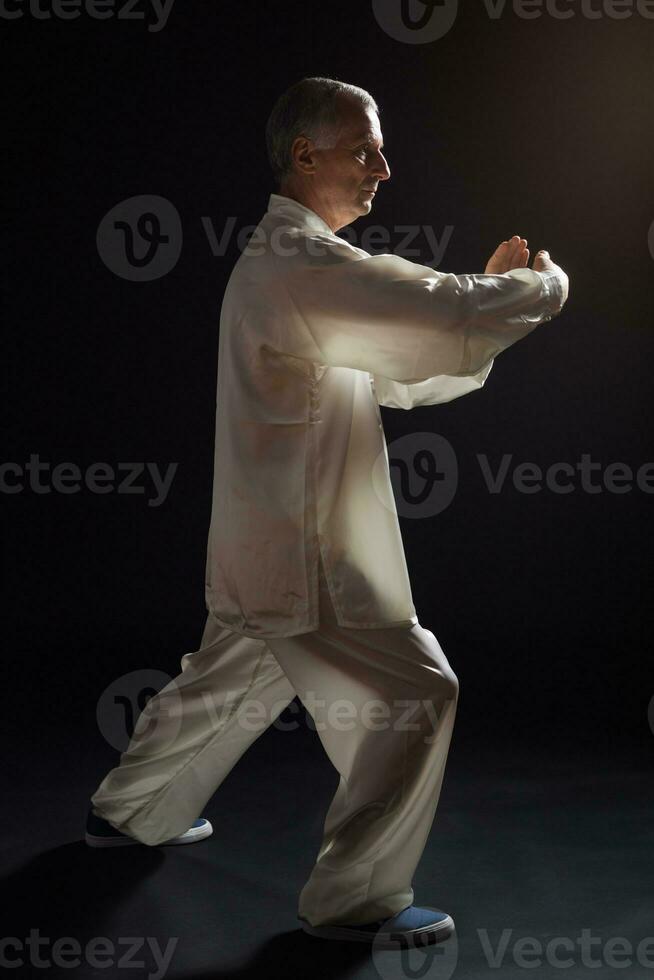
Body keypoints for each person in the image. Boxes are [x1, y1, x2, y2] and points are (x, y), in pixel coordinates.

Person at [86, 76, 569, 948]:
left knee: (227, 680)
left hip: (262, 543)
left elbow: (399, 371)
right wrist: (537, 292)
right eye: (363, 148)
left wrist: (484, 310)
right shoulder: (300, 266)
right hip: (306, 550)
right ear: (304, 155)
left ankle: (130, 814)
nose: (383, 165)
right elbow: (437, 314)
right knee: (418, 695)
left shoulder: (292, 266)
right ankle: (355, 899)